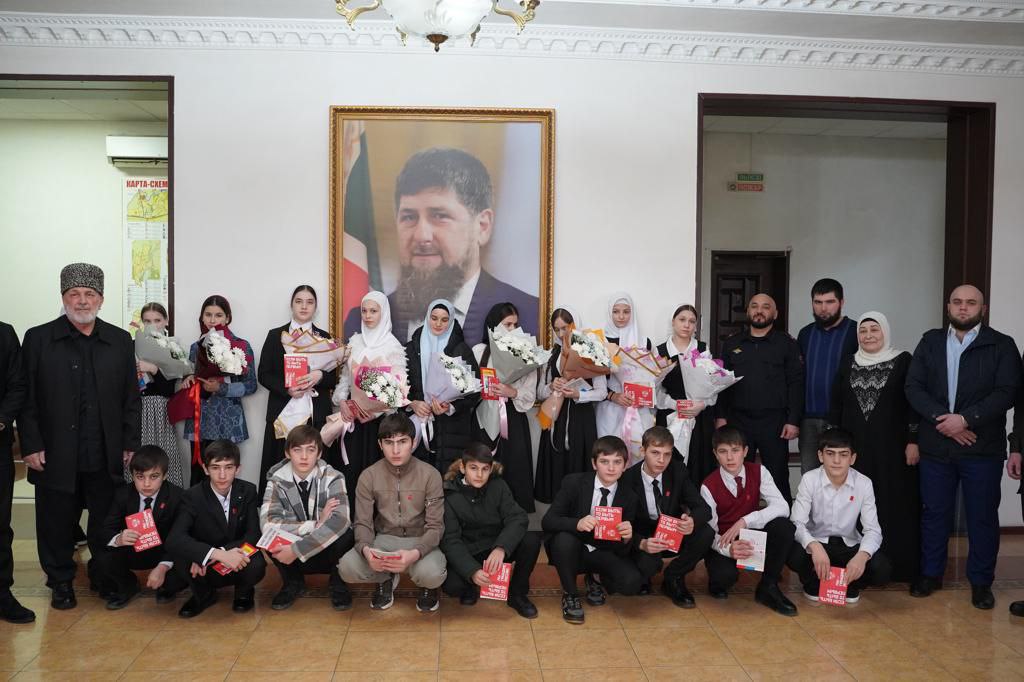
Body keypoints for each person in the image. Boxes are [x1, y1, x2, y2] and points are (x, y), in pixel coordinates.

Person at [19, 263, 141, 610]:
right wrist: (30, 444)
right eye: (74, 294)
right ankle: (60, 582)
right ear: (64, 298)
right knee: (55, 521)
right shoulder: (39, 339)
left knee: (106, 520)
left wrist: (129, 443)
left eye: (89, 294)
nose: (82, 301)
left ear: (101, 299)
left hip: (105, 451)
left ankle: (105, 576)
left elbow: (131, 398)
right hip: (54, 452)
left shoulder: (119, 340)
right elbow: (26, 397)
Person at [343, 147, 539, 343]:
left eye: (439, 216)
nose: (422, 236)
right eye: (409, 217)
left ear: (482, 226)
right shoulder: (361, 323)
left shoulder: (530, 318)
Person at [904, 284, 1022, 610]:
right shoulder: (930, 341)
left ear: (983, 309)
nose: (963, 307)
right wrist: (945, 421)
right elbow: (913, 387)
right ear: (948, 307)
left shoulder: (1001, 345)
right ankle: (930, 574)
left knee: (981, 517)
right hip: (936, 445)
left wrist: (966, 420)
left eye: (971, 303)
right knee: (934, 514)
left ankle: (981, 582)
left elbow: (1007, 392)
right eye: (957, 302)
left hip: (982, 448)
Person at [829, 312, 920, 583]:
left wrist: (913, 440)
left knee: (893, 502)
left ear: (885, 332)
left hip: (893, 450)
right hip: (856, 450)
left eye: (874, 329)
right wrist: (835, 444)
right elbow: (836, 403)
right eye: (863, 330)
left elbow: (913, 405)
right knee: (855, 503)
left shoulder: (903, 360)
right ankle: (860, 569)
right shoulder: (848, 362)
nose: (868, 335)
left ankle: (898, 567)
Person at [338, 413, 447, 612]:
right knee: (347, 568)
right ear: (380, 445)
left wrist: (414, 554)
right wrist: (367, 551)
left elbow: (436, 527)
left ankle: (427, 587)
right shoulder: (369, 476)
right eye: (389, 443)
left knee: (431, 574)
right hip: (384, 540)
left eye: (402, 442)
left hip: (420, 539)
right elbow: (362, 523)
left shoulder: (430, 474)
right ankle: (384, 578)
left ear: (413, 443)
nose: (395, 450)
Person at [542, 436, 644, 624]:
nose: (611, 468)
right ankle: (570, 594)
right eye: (604, 461)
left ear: (625, 465)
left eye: (617, 462)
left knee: (631, 583)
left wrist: (626, 537)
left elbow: (623, 549)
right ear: (594, 463)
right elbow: (548, 521)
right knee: (564, 540)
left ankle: (595, 578)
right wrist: (577, 523)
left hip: (604, 551)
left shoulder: (629, 496)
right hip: (574, 548)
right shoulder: (573, 483)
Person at [700, 426, 797, 616]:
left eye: (735, 450)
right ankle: (717, 581)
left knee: (784, 527)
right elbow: (710, 532)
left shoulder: (759, 471)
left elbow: (783, 507)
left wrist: (745, 520)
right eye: (723, 451)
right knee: (724, 578)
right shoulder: (708, 485)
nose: (730, 458)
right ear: (715, 454)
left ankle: (768, 586)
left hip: (751, 535)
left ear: (745, 451)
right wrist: (729, 549)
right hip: (725, 541)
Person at [716, 293, 804, 502]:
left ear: (775, 313)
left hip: (774, 422)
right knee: (737, 474)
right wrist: (720, 417)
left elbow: (796, 383)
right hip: (738, 421)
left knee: (777, 475)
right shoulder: (732, 343)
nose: (759, 311)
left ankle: (781, 520)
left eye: (766, 307)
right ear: (748, 311)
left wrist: (793, 420)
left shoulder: (786, 344)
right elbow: (720, 383)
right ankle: (739, 518)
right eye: (754, 306)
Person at [787, 427, 891, 603]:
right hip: (818, 544)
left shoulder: (864, 483)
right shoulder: (810, 479)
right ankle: (813, 581)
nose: (836, 461)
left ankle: (849, 582)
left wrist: (861, 556)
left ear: (852, 458)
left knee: (882, 569)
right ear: (820, 456)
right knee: (792, 553)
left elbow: (873, 530)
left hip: (848, 545)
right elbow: (797, 522)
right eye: (830, 454)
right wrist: (814, 545)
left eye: (843, 454)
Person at [167, 439, 266, 618]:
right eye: (215, 467)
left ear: (238, 469)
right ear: (205, 469)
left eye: (228, 467)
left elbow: (253, 534)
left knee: (257, 562)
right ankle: (204, 595)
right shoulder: (192, 496)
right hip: (204, 564)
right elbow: (175, 539)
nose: (222, 475)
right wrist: (212, 555)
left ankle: (243, 592)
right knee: (182, 557)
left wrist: (224, 552)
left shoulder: (248, 490)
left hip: (235, 555)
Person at [439, 442, 540, 618]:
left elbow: (518, 517)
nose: (479, 475)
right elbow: (450, 540)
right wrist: (472, 571)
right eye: (473, 468)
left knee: (531, 541)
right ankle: (470, 586)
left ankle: (517, 594)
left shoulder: (498, 486)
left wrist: (502, 547)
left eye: (485, 469)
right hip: (469, 551)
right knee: (452, 586)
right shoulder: (449, 495)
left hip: (496, 547)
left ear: (491, 469)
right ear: (462, 468)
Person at [260, 424, 354, 611]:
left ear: (319, 454)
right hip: (291, 555)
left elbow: (341, 520)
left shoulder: (334, 477)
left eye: (310, 450)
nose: (304, 457)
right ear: (287, 453)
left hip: (319, 551)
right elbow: (268, 524)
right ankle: (292, 582)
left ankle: (337, 582)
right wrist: (316, 524)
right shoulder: (277, 480)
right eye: (297, 450)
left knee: (347, 534)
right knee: (269, 538)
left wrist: (297, 549)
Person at [621, 426, 714, 608]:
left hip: (673, 533)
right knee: (645, 567)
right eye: (655, 453)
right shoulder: (627, 479)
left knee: (706, 532)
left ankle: (674, 577)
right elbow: (623, 525)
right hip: (644, 537)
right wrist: (641, 543)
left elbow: (704, 509)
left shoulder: (678, 471)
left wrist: (692, 521)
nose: (661, 460)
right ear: (642, 451)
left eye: (667, 454)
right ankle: (644, 575)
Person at [258, 285, 339, 491]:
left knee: (314, 470)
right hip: (283, 412)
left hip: (315, 414)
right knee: (280, 467)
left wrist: (320, 375)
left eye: (309, 302)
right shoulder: (275, 335)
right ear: (291, 305)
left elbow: (334, 379)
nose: (304, 306)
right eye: (299, 301)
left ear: (316, 307)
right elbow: (264, 374)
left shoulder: (325, 336)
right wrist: (287, 389)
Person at [332, 291, 408, 506]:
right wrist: (342, 402)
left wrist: (375, 411)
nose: (367, 316)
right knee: (350, 470)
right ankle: (350, 517)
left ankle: (374, 520)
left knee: (376, 475)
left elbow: (398, 391)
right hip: (352, 419)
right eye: (364, 311)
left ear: (383, 313)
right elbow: (345, 379)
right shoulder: (355, 341)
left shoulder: (393, 346)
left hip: (379, 424)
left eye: (373, 311)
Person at [94, 445, 187, 609]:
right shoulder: (122, 494)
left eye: (154, 476)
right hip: (132, 549)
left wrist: (163, 567)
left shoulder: (178, 497)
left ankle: (167, 587)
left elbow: (182, 537)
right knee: (102, 555)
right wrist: (119, 538)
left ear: (165, 475)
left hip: (165, 550)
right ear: (132, 476)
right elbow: (105, 530)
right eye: (140, 477)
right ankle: (128, 585)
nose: (146, 484)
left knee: (187, 558)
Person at [534, 307, 608, 504]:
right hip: (556, 419)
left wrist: (578, 395)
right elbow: (539, 392)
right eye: (556, 329)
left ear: (574, 325)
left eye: (565, 328)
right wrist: (552, 385)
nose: (561, 334)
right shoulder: (551, 355)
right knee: (557, 466)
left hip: (581, 420)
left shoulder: (591, 350)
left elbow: (602, 392)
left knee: (578, 465)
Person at [182, 295, 257, 484]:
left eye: (218, 315)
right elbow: (190, 375)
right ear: (202, 317)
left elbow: (251, 385)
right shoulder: (195, 347)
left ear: (227, 318)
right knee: (199, 475)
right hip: (201, 417)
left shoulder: (240, 346)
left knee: (224, 475)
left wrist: (221, 388)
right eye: (208, 315)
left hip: (228, 419)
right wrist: (188, 379)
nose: (212, 320)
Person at [471, 302, 537, 512]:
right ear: (494, 325)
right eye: (507, 324)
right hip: (483, 418)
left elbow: (530, 393)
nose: (512, 329)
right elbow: (468, 387)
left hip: (513, 418)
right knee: (483, 467)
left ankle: (514, 518)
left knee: (514, 468)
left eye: (515, 325)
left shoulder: (526, 353)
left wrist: (512, 392)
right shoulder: (479, 351)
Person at [406, 299, 481, 474]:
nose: (438, 324)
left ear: (451, 321)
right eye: (434, 318)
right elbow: (400, 386)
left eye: (444, 319)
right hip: (419, 423)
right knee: (419, 478)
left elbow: (474, 392)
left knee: (448, 479)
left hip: (452, 431)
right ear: (427, 318)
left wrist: (451, 407)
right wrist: (413, 404)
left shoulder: (461, 350)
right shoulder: (411, 349)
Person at [796, 279, 858, 475]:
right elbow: (797, 376)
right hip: (808, 419)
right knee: (810, 475)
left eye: (830, 302)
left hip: (843, 419)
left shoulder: (856, 332)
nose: (823, 308)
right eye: (818, 302)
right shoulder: (805, 334)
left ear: (841, 302)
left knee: (841, 475)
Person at [655, 304, 717, 485]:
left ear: (696, 326)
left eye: (692, 321)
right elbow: (654, 388)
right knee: (669, 461)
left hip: (698, 416)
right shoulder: (660, 351)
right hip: (670, 414)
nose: (686, 325)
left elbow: (713, 385)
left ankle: (696, 502)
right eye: (682, 320)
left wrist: (701, 405)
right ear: (673, 322)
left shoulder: (702, 349)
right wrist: (675, 404)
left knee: (699, 463)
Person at [0, 320, 32, 623]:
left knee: (0, 524)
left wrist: (1, 419)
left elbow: (18, 384)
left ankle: (2, 594)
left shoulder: (4, 333)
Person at [596, 293, 655, 461]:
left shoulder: (644, 342)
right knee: (609, 455)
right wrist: (613, 396)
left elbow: (652, 376)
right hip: (609, 408)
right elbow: (594, 377)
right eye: (616, 311)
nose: (621, 316)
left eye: (626, 311)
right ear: (609, 313)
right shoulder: (600, 341)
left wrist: (643, 395)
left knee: (638, 455)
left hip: (638, 408)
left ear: (632, 313)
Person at [135, 302, 187, 488]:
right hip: (138, 409)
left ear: (166, 321)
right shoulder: (133, 345)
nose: (152, 325)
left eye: (157, 320)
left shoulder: (173, 348)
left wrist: (154, 369)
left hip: (161, 410)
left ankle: (169, 499)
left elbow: (168, 390)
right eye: (147, 321)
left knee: (164, 455)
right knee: (139, 456)